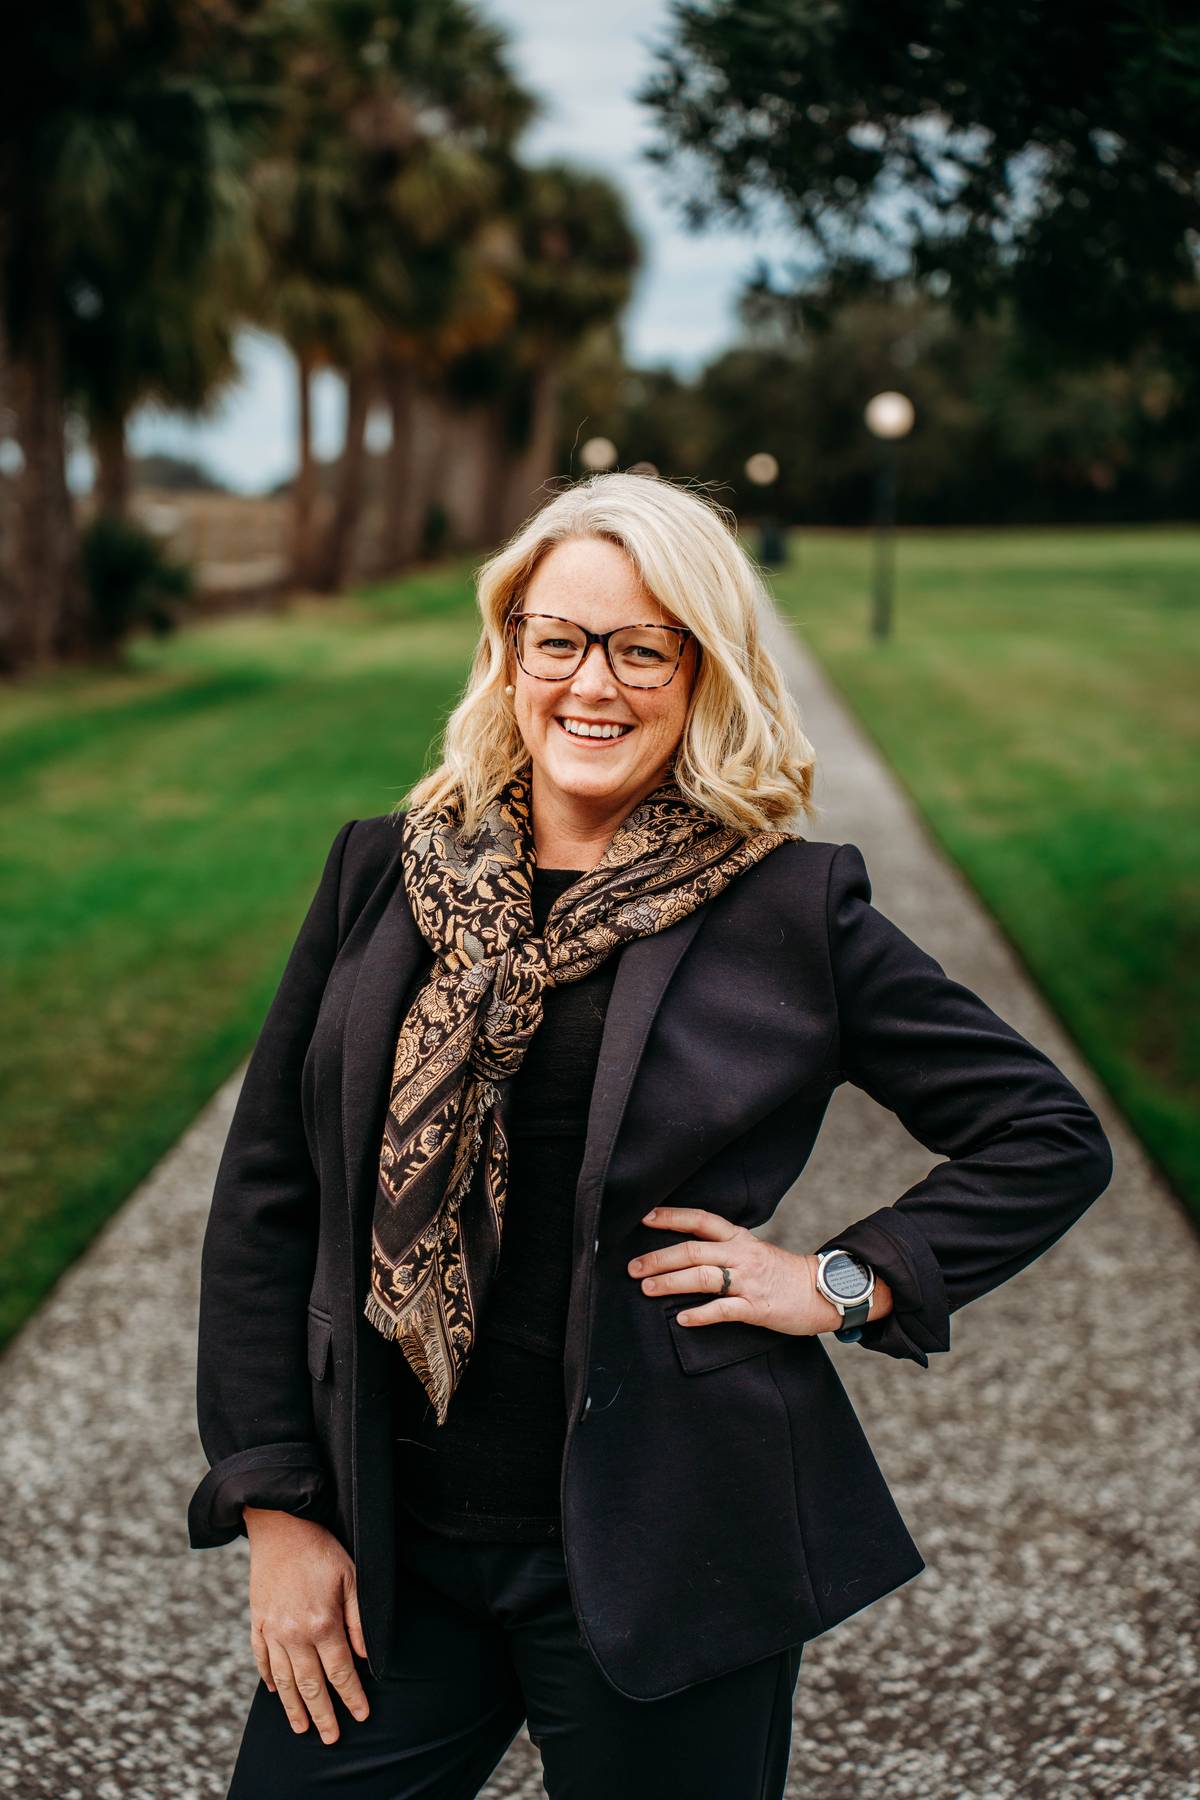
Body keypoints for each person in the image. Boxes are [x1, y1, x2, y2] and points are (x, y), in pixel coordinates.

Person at [188, 472, 1113, 1799]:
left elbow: (1044, 1129)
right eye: (558, 639)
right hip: (390, 1547)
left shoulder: (792, 907)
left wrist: (840, 1282)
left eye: (643, 647)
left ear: (704, 670)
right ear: (509, 654)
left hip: (670, 1544)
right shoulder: (381, 875)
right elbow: (271, 1200)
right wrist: (276, 1507)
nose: (592, 685)